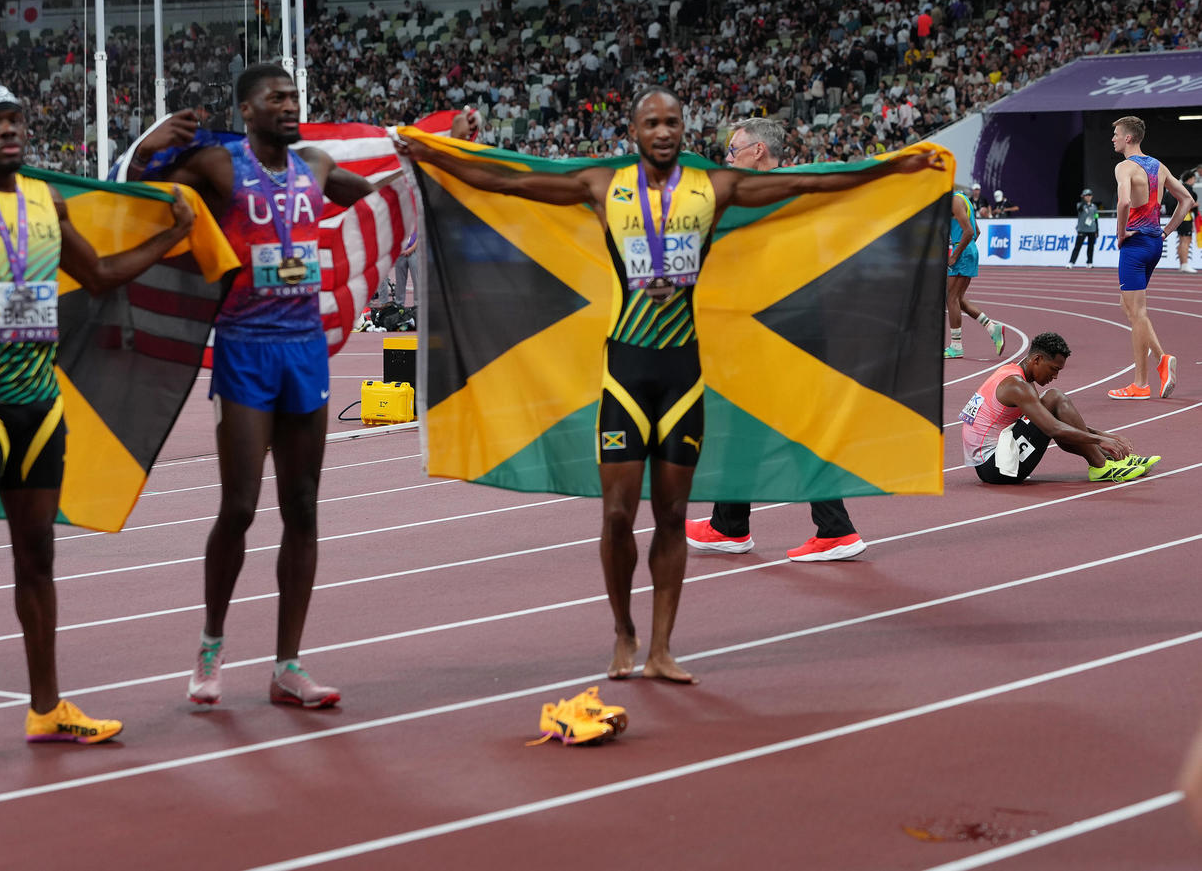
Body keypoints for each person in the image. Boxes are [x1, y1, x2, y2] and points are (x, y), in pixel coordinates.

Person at [397, 87, 943, 683]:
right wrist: (436, 156)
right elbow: (512, 183)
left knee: (673, 514)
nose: (663, 130)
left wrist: (888, 169)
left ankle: (660, 648)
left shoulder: (714, 188)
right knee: (615, 515)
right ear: (635, 130)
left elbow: (804, 186)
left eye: (673, 121)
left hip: (683, 375)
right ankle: (623, 633)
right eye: (651, 122)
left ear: (685, 129)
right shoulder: (604, 186)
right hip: (625, 372)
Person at [0, 82, 194, 770]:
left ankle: (47, 708)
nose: (10, 130)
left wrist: (173, 235)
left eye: (16, 120)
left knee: (39, 554)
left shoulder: (45, 198)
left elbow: (97, 276)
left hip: (41, 405)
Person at [133, 64, 383, 709]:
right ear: (247, 110)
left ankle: (287, 667)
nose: (290, 106)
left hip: (304, 351)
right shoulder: (220, 165)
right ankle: (211, 647)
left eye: (295, 97)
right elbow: (140, 190)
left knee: (302, 506)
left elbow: (383, 195)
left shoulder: (317, 166)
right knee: (240, 506)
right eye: (276, 98)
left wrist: (430, 162)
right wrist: (149, 143)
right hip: (245, 348)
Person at [683, 118, 865, 563]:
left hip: (780, 330)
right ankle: (730, 525)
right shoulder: (794, 191)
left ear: (759, 151)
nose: (728, 157)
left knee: (796, 426)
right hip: (785, 326)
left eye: (734, 150)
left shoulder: (763, 197)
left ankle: (836, 530)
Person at [960, 332, 1158, 485]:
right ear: (1036, 360)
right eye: (1054, 369)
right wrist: (1101, 438)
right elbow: (1053, 428)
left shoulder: (1015, 375)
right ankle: (1102, 466)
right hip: (994, 468)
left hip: (996, 458)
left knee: (1054, 403)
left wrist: (1107, 436)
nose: (1055, 376)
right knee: (1055, 398)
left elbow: (1056, 425)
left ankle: (1112, 458)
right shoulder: (1017, 386)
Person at [1107, 115, 1192, 401]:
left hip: (1135, 243)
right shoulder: (1158, 166)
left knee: (1137, 312)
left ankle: (1141, 384)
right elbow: (1188, 200)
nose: (1113, 138)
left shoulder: (1124, 167)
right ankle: (1162, 359)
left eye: (1116, 134)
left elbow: (1123, 201)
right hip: (1154, 242)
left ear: (1129, 138)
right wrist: (1167, 230)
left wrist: (1120, 234)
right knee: (1129, 307)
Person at [944, 184, 1005, 359]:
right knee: (957, 298)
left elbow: (970, 231)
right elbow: (977, 231)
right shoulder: (964, 200)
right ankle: (993, 328)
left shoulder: (955, 201)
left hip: (962, 252)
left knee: (951, 298)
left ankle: (956, 347)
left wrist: (956, 255)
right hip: (966, 251)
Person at [1170, 168, 1196, 273]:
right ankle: (1185, 264)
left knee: (1181, 241)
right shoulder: (1188, 188)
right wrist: (1195, 204)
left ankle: (1182, 264)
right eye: (1194, 179)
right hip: (1185, 217)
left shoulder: (1180, 187)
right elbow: (1188, 202)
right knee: (1185, 241)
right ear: (1190, 179)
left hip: (1180, 217)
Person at [1066, 188, 1099, 269]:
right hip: (1082, 229)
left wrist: (1097, 230)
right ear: (1083, 196)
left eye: (1089, 195)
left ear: (1091, 196)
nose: (1088, 197)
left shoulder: (1094, 207)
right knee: (1077, 246)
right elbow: (1079, 208)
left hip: (1092, 229)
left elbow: (1096, 218)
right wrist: (1083, 200)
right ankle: (1071, 262)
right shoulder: (1080, 205)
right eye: (1086, 195)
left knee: (1091, 247)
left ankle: (1089, 262)